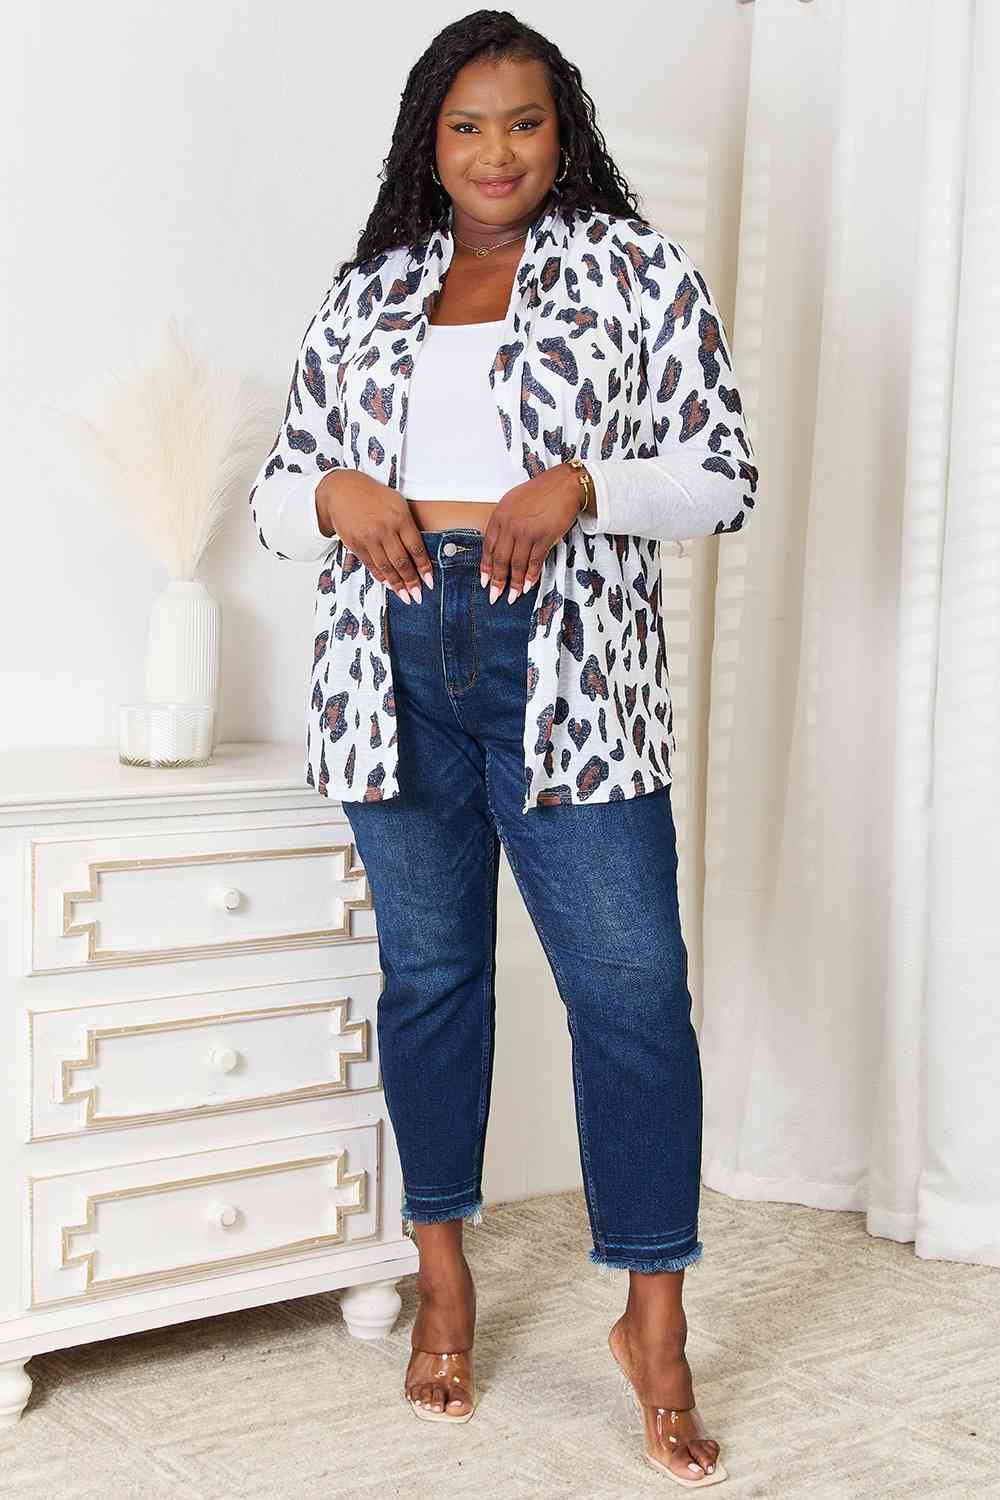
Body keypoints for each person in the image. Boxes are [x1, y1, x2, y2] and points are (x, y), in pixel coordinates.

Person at [249, 12, 758, 1487]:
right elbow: (280, 499)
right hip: (390, 659)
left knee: (633, 995)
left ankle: (654, 1328)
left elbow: (719, 475)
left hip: (571, 667)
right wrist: (336, 495)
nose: (495, 153)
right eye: (466, 126)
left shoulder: (636, 271)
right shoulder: (370, 292)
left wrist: (582, 484)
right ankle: (444, 1282)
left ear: (562, 130)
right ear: (430, 141)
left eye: (523, 122)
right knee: (432, 982)